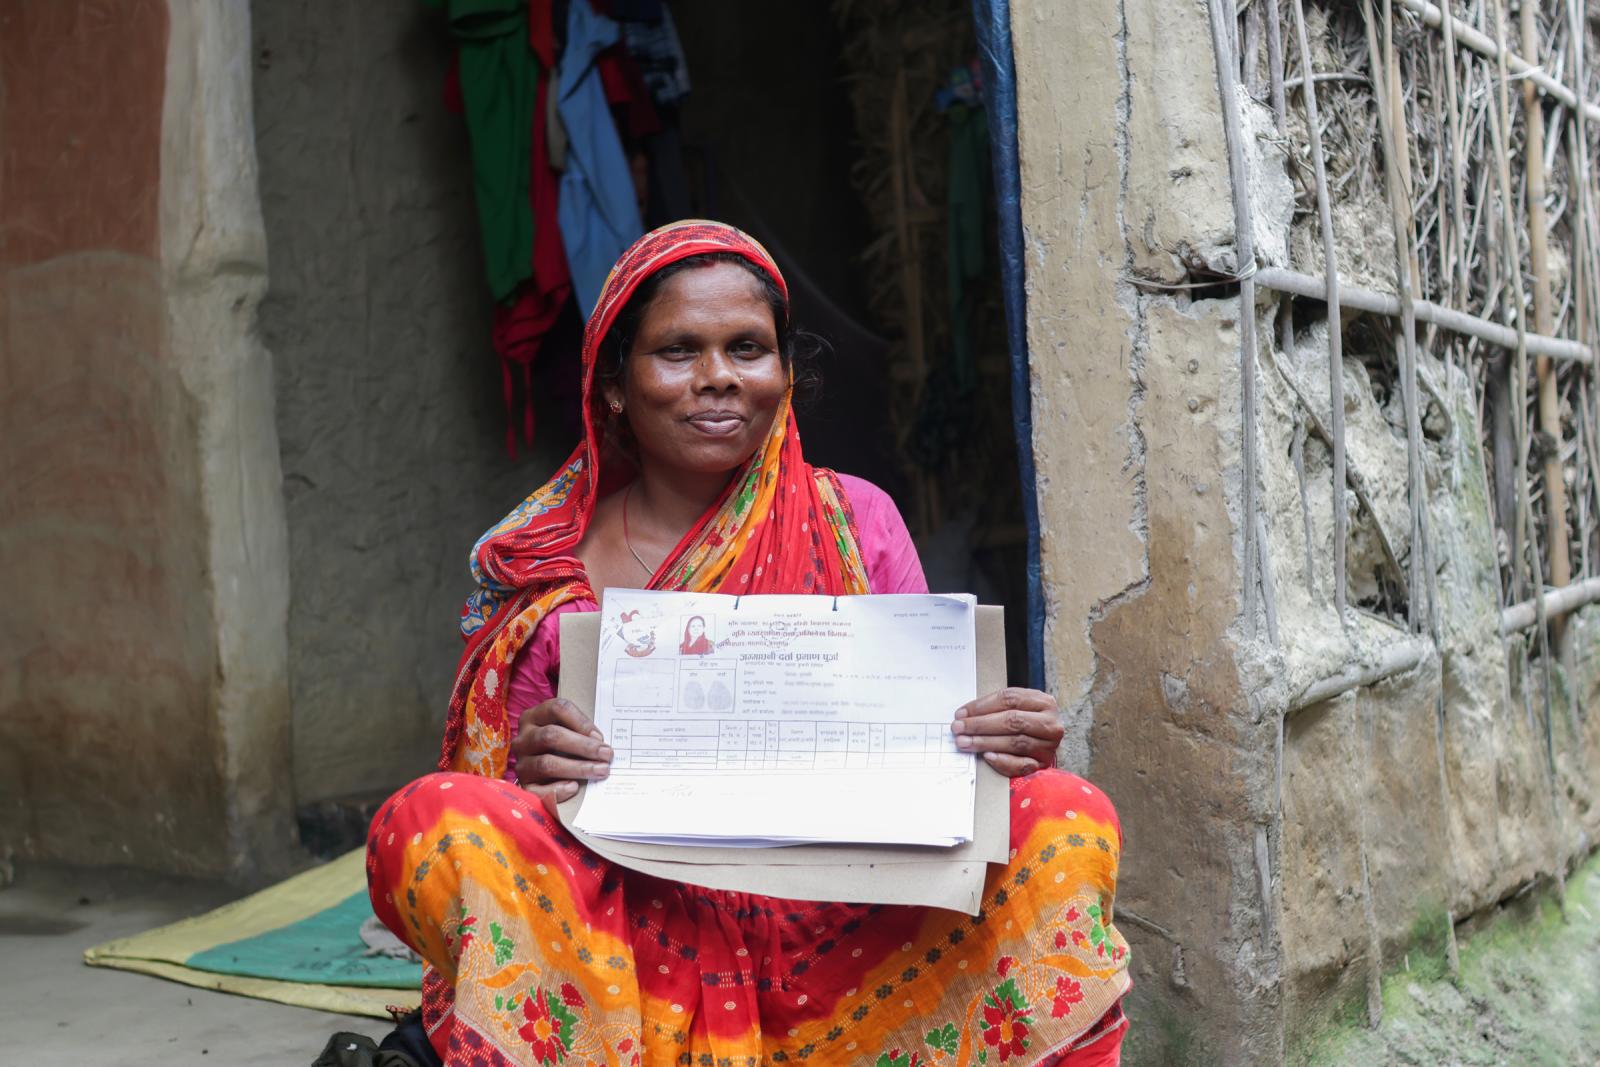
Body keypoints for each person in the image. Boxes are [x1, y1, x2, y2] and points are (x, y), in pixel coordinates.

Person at [367, 221, 1130, 1066]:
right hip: (626, 932)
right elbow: (505, 802)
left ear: (785, 372)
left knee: (1065, 813)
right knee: (432, 819)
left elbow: (929, 758)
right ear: (614, 383)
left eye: (747, 347)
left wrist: (993, 746)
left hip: (844, 928)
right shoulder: (548, 570)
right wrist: (534, 767)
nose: (718, 377)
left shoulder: (853, 519)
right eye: (678, 350)